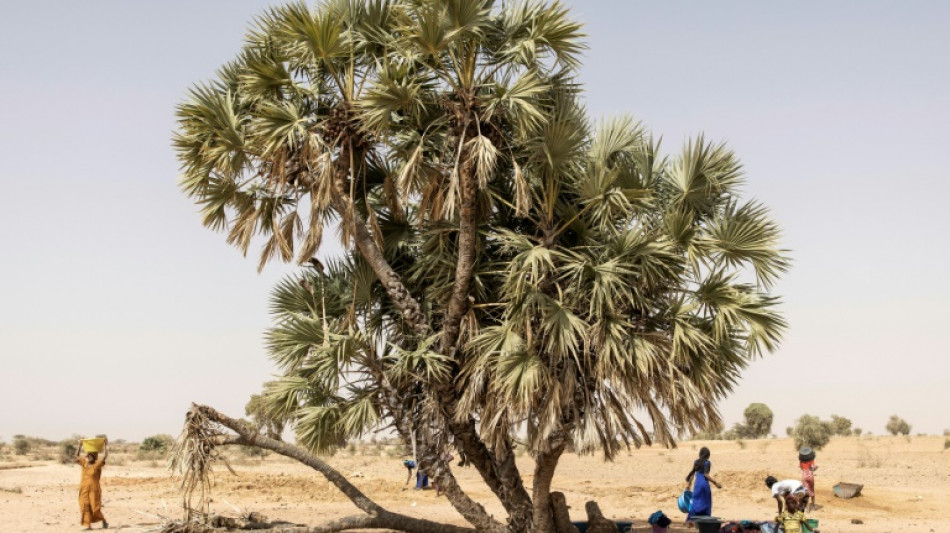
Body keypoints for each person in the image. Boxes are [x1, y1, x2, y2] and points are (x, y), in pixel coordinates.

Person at [76, 438, 109, 530]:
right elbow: (76, 456)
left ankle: (104, 521)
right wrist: (80, 445)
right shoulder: (84, 464)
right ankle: (88, 526)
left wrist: (105, 445)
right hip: (83, 489)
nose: (88, 457)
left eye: (90, 456)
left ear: (94, 457)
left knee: (95, 507)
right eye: (88, 456)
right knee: (84, 506)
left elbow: (105, 456)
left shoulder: (97, 465)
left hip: (94, 490)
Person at [685, 447, 722, 523]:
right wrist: (715, 483)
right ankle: (705, 520)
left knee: (695, 501)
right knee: (706, 501)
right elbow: (706, 475)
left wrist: (688, 484)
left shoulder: (696, 462)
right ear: (708, 455)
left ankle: (690, 520)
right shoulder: (707, 463)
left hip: (697, 484)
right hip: (704, 484)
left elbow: (692, 473)